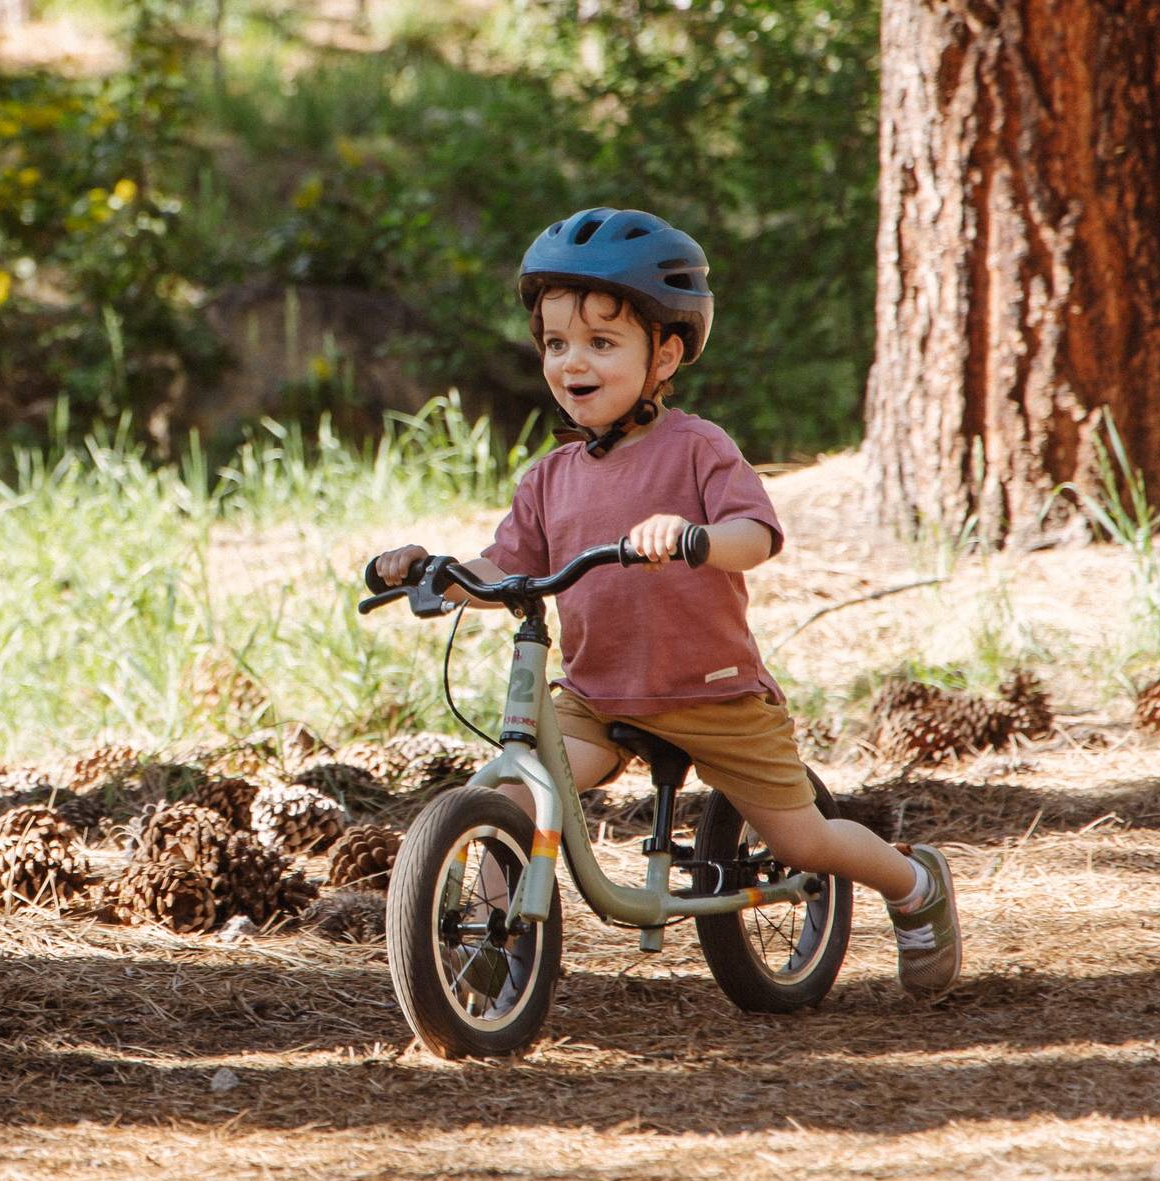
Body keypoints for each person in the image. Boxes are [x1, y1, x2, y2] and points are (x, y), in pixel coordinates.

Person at [371, 207, 962, 1000]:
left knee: (802, 837)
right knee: (510, 793)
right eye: (556, 344)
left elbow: (756, 535)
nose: (571, 362)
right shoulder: (549, 477)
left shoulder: (698, 448)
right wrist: (436, 570)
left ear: (666, 353)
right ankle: (486, 944)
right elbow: (504, 566)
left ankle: (912, 883)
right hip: (597, 696)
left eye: (601, 344)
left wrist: (694, 537)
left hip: (712, 693)